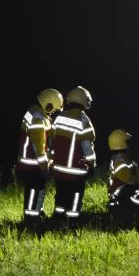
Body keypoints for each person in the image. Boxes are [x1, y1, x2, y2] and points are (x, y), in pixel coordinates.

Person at [16, 88, 63, 222]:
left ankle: (38, 212)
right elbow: (38, 144)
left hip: (33, 162)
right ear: (47, 103)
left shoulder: (37, 113)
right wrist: (44, 164)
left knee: (39, 187)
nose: (54, 111)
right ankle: (30, 218)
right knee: (33, 189)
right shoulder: (38, 117)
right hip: (32, 162)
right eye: (53, 108)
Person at [50, 86, 96, 220]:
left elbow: (52, 140)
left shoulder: (59, 118)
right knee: (75, 195)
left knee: (61, 195)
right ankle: (72, 221)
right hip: (76, 171)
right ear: (85, 102)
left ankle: (57, 218)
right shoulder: (84, 121)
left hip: (58, 169)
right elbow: (87, 146)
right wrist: (91, 164)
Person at [107, 129, 139, 208]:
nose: (131, 145)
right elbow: (125, 177)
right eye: (128, 142)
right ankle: (135, 207)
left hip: (122, 191)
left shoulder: (123, 158)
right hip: (122, 192)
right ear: (123, 143)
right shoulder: (120, 159)